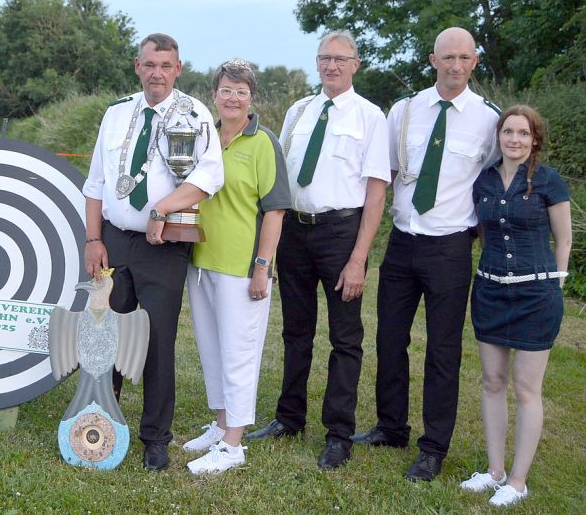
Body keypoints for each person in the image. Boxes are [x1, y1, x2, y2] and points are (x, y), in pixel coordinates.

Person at [351, 27, 501, 482]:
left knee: (443, 350)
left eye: (463, 58)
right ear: (433, 60)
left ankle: (434, 446)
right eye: (446, 57)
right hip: (402, 242)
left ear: (475, 61)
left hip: (450, 248)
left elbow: (495, 182)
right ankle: (391, 426)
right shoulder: (405, 109)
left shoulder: (489, 119)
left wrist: (475, 233)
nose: (455, 66)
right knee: (390, 340)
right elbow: (388, 173)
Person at [245, 30, 389, 471]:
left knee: (345, 338)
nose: (332, 66)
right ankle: (289, 418)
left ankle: (339, 434)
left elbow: (377, 191)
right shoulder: (299, 110)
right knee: (296, 331)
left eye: (341, 59)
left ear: (356, 65)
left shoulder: (369, 117)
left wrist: (359, 257)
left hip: (341, 234)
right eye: (325, 58)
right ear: (317, 62)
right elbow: (280, 176)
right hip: (295, 232)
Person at [82, 33, 224, 471]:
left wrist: (163, 207)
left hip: (163, 247)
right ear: (137, 66)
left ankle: (155, 438)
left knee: (158, 341)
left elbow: (210, 177)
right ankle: (103, 424)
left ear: (178, 69)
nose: (156, 73)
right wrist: (93, 239)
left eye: (165, 66)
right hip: (114, 240)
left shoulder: (195, 114)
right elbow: (96, 183)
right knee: (107, 335)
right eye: (149, 65)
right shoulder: (116, 114)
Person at [182, 59, 290, 474]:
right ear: (215, 94)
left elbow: (275, 211)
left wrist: (262, 267)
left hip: (242, 267)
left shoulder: (264, 142)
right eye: (226, 90)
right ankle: (222, 424)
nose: (232, 98)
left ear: (251, 97)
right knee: (212, 350)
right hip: (202, 261)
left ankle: (233, 445)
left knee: (239, 353)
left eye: (241, 91)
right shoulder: (202, 137)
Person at [459, 105, 571, 507]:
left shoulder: (549, 181)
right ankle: (494, 471)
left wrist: (555, 286)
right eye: (508, 132)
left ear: (534, 139)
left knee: (526, 388)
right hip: (490, 291)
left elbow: (565, 241)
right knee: (492, 382)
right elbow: (485, 235)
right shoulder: (484, 181)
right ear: (499, 136)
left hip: (536, 295)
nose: (515, 140)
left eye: (523, 133)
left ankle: (518, 481)